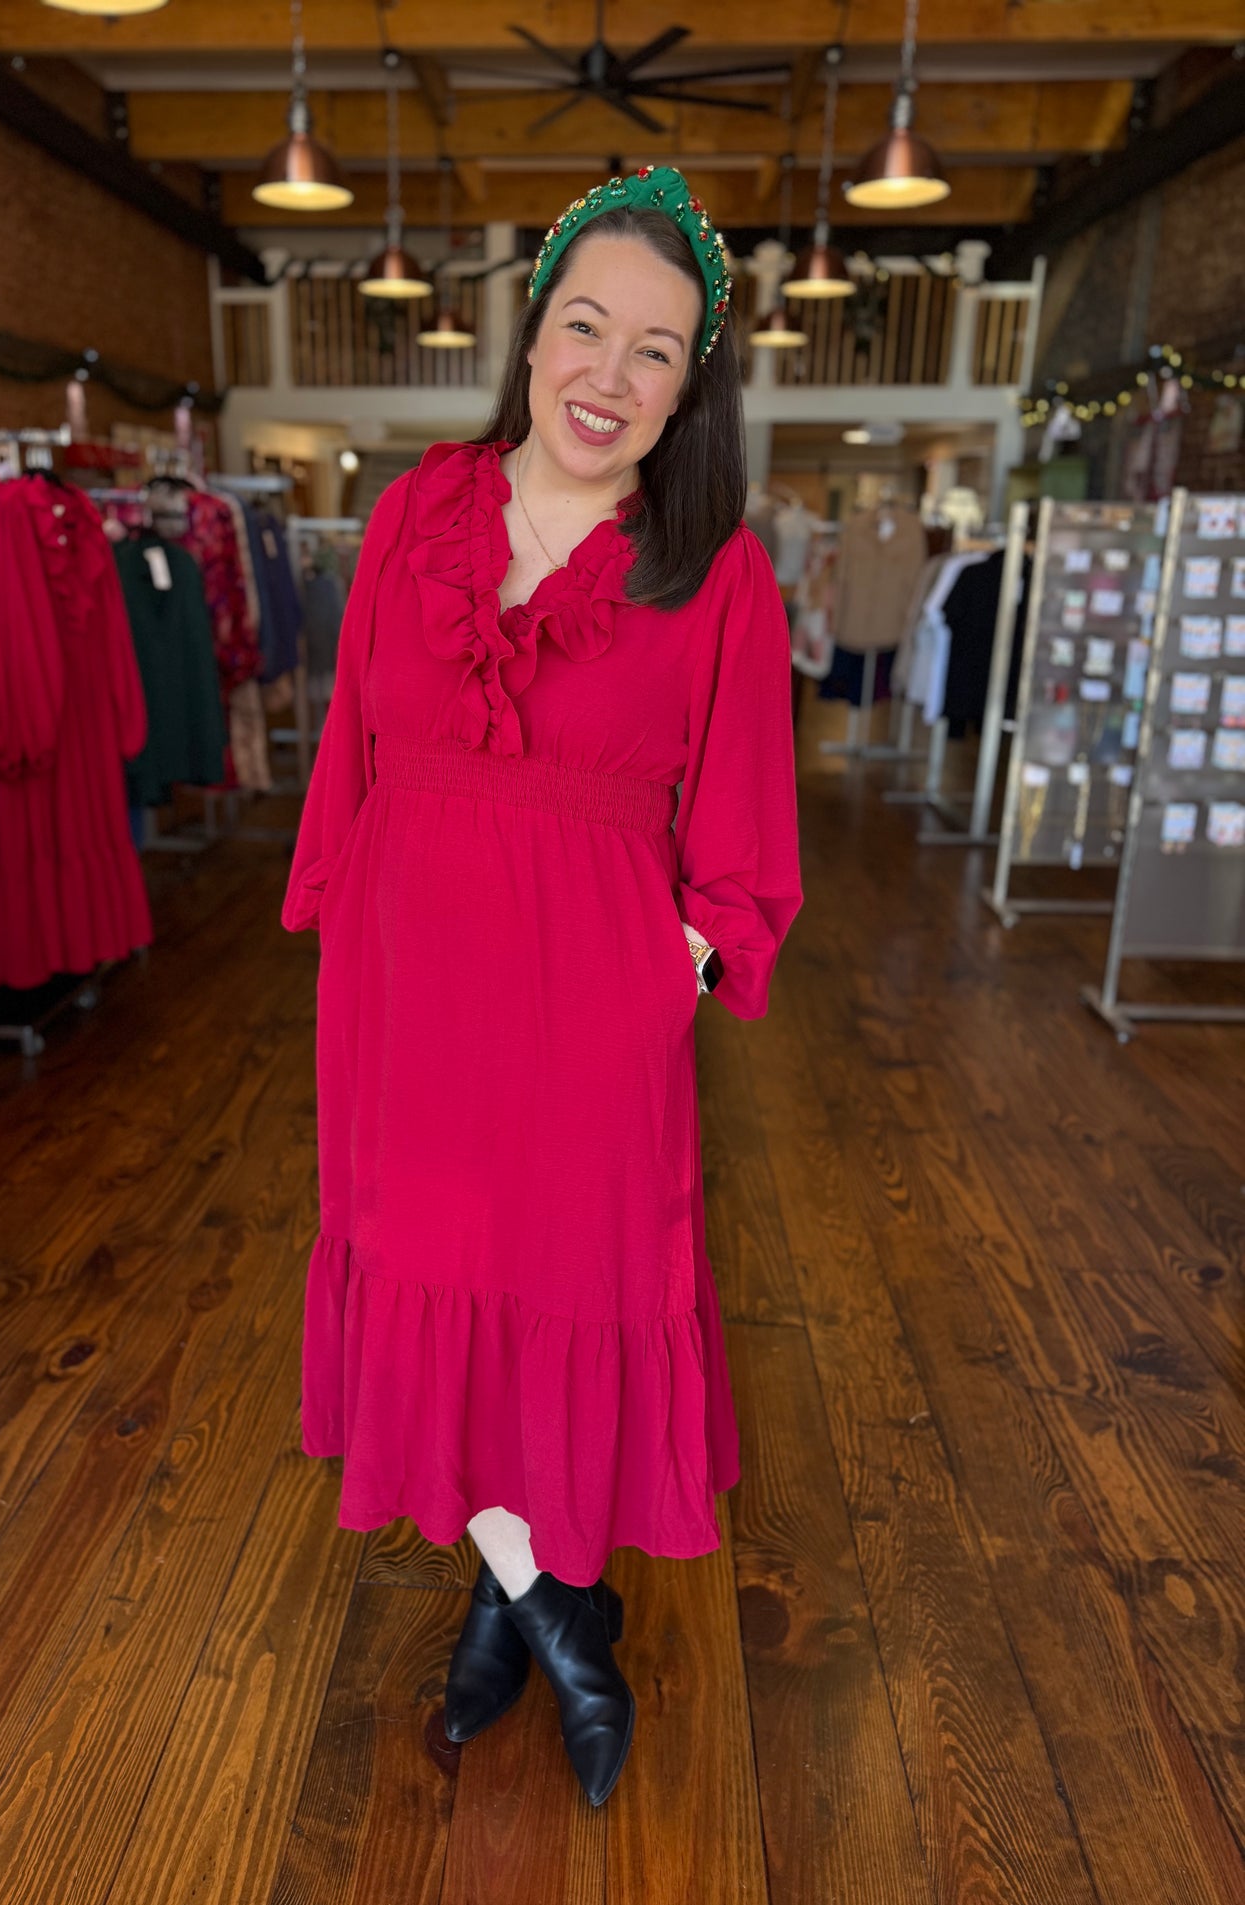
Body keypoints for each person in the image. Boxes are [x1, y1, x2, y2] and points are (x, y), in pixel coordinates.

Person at [280, 165, 803, 1808]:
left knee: (567, 1290)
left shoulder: (709, 568)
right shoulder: (413, 514)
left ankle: (546, 1626)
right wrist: (345, 924)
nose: (609, 374)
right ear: (531, 337)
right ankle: (547, 1615)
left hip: (590, 1010)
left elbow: (745, 821)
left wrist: (680, 955)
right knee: (437, 1272)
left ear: (690, 384)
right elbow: (353, 751)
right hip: (406, 996)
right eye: (585, 325)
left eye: (656, 351)